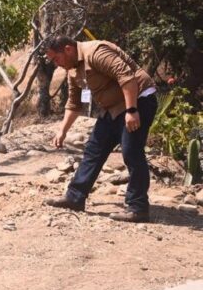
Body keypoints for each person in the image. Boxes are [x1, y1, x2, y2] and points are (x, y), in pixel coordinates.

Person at [43, 35, 158, 222]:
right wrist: (62, 130)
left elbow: (126, 76)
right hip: (113, 108)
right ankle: (75, 197)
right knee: (94, 149)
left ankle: (138, 208)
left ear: (68, 49)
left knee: (132, 151)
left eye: (56, 58)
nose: (56, 64)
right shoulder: (73, 70)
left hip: (139, 99)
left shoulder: (95, 52)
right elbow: (74, 103)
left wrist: (132, 110)